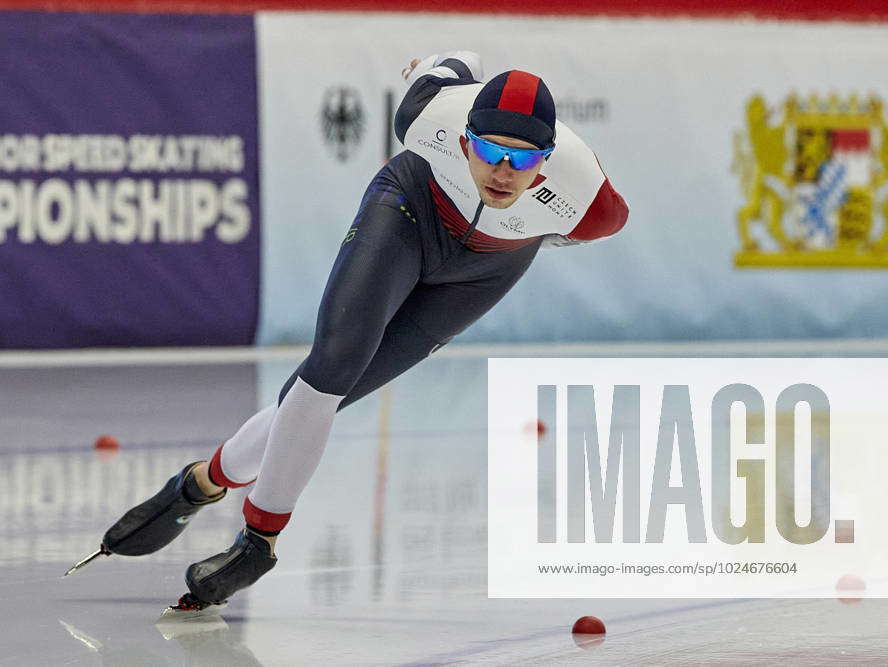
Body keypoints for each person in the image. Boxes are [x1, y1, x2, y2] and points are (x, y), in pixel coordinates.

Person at [67, 51, 629, 611]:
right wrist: (453, 63)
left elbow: (585, 227)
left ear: (549, 160)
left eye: (524, 159)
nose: (503, 172)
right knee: (333, 365)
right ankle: (258, 541)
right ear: (462, 141)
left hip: (484, 271)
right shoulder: (427, 116)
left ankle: (200, 484)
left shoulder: (592, 204)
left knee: (330, 394)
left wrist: (539, 234)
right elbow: (448, 67)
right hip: (410, 210)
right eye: (488, 151)